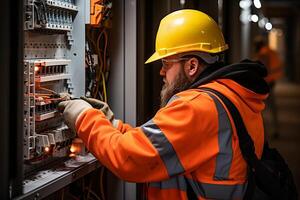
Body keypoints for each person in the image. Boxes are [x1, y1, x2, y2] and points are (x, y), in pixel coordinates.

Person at [59, 9, 269, 200]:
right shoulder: (232, 96)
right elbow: (158, 147)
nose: (161, 72)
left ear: (192, 65)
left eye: (166, 64)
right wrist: (112, 125)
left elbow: (129, 159)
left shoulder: (197, 106)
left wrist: (83, 117)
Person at [254, 36, 283, 139]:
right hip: (271, 82)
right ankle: (275, 130)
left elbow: (263, 70)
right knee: (272, 109)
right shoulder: (269, 51)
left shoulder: (263, 54)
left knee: (260, 109)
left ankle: (263, 133)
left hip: (265, 84)